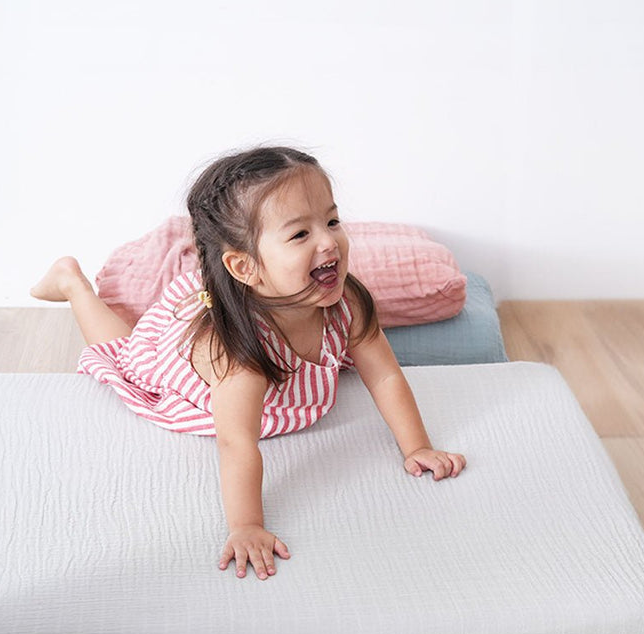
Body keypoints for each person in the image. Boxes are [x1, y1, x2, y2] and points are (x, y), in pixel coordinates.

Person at [31, 146, 466, 580]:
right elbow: (236, 442)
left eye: (332, 221)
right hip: (190, 356)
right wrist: (247, 526)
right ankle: (73, 284)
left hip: (249, 299)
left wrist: (418, 447)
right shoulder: (240, 353)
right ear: (246, 266)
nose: (328, 241)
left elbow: (385, 375)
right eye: (300, 234)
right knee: (125, 355)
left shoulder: (347, 300)